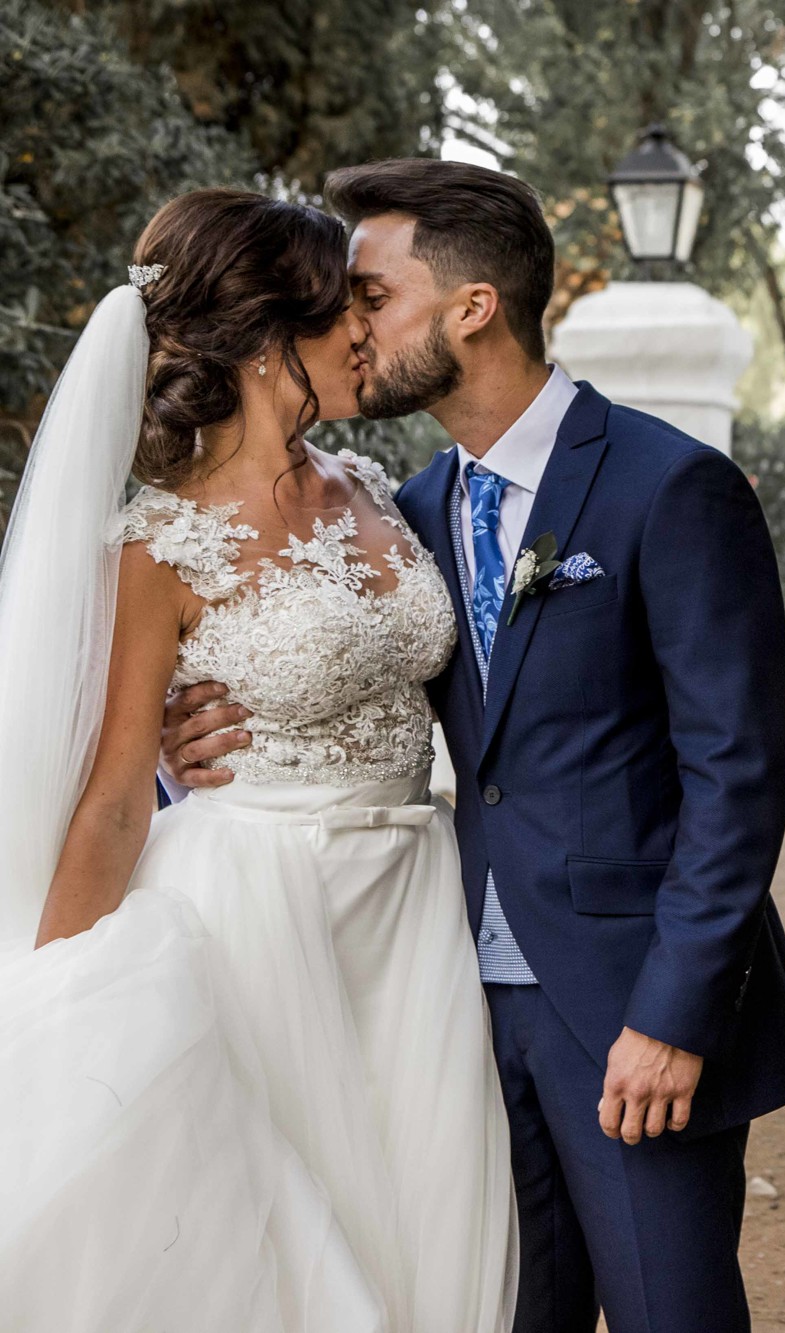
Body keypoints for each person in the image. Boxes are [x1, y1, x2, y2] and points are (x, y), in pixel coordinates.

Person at [162, 159, 785, 1332]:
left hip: (626, 1007)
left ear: (473, 308)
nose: (346, 326)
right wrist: (194, 730)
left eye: (372, 296)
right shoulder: (403, 512)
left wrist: (672, 1014)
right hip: (449, 1002)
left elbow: (738, 777)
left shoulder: (671, 487)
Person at [0, 189, 515, 1330]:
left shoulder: (374, 487)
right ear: (271, 337)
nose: (369, 332)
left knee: (428, 1235)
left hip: (414, 904)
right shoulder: (158, 546)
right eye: (349, 308)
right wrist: (50, 1014)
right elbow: (112, 800)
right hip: (263, 913)